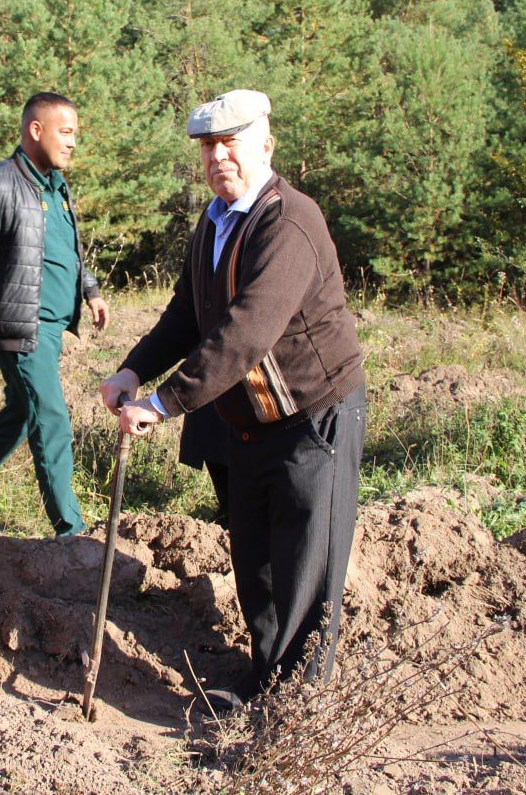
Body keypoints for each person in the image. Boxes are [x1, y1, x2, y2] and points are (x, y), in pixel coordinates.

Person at [99, 90, 366, 711]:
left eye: (231, 144)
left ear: (265, 146)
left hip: (312, 416)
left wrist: (166, 402)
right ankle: (265, 677)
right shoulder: (216, 221)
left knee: (305, 563)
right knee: (256, 560)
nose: (219, 157)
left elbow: (246, 330)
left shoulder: (289, 220)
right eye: (208, 148)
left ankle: (298, 707)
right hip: (249, 423)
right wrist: (133, 370)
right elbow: (189, 313)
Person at [0, 92, 110, 537]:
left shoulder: (55, 186)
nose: (73, 142)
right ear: (36, 130)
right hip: (19, 326)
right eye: (66, 132)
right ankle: (71, 530)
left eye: (75, 133)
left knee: (20, 415)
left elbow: (62, 250)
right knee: (51, 416)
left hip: (51, 326)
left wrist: (89, 290)